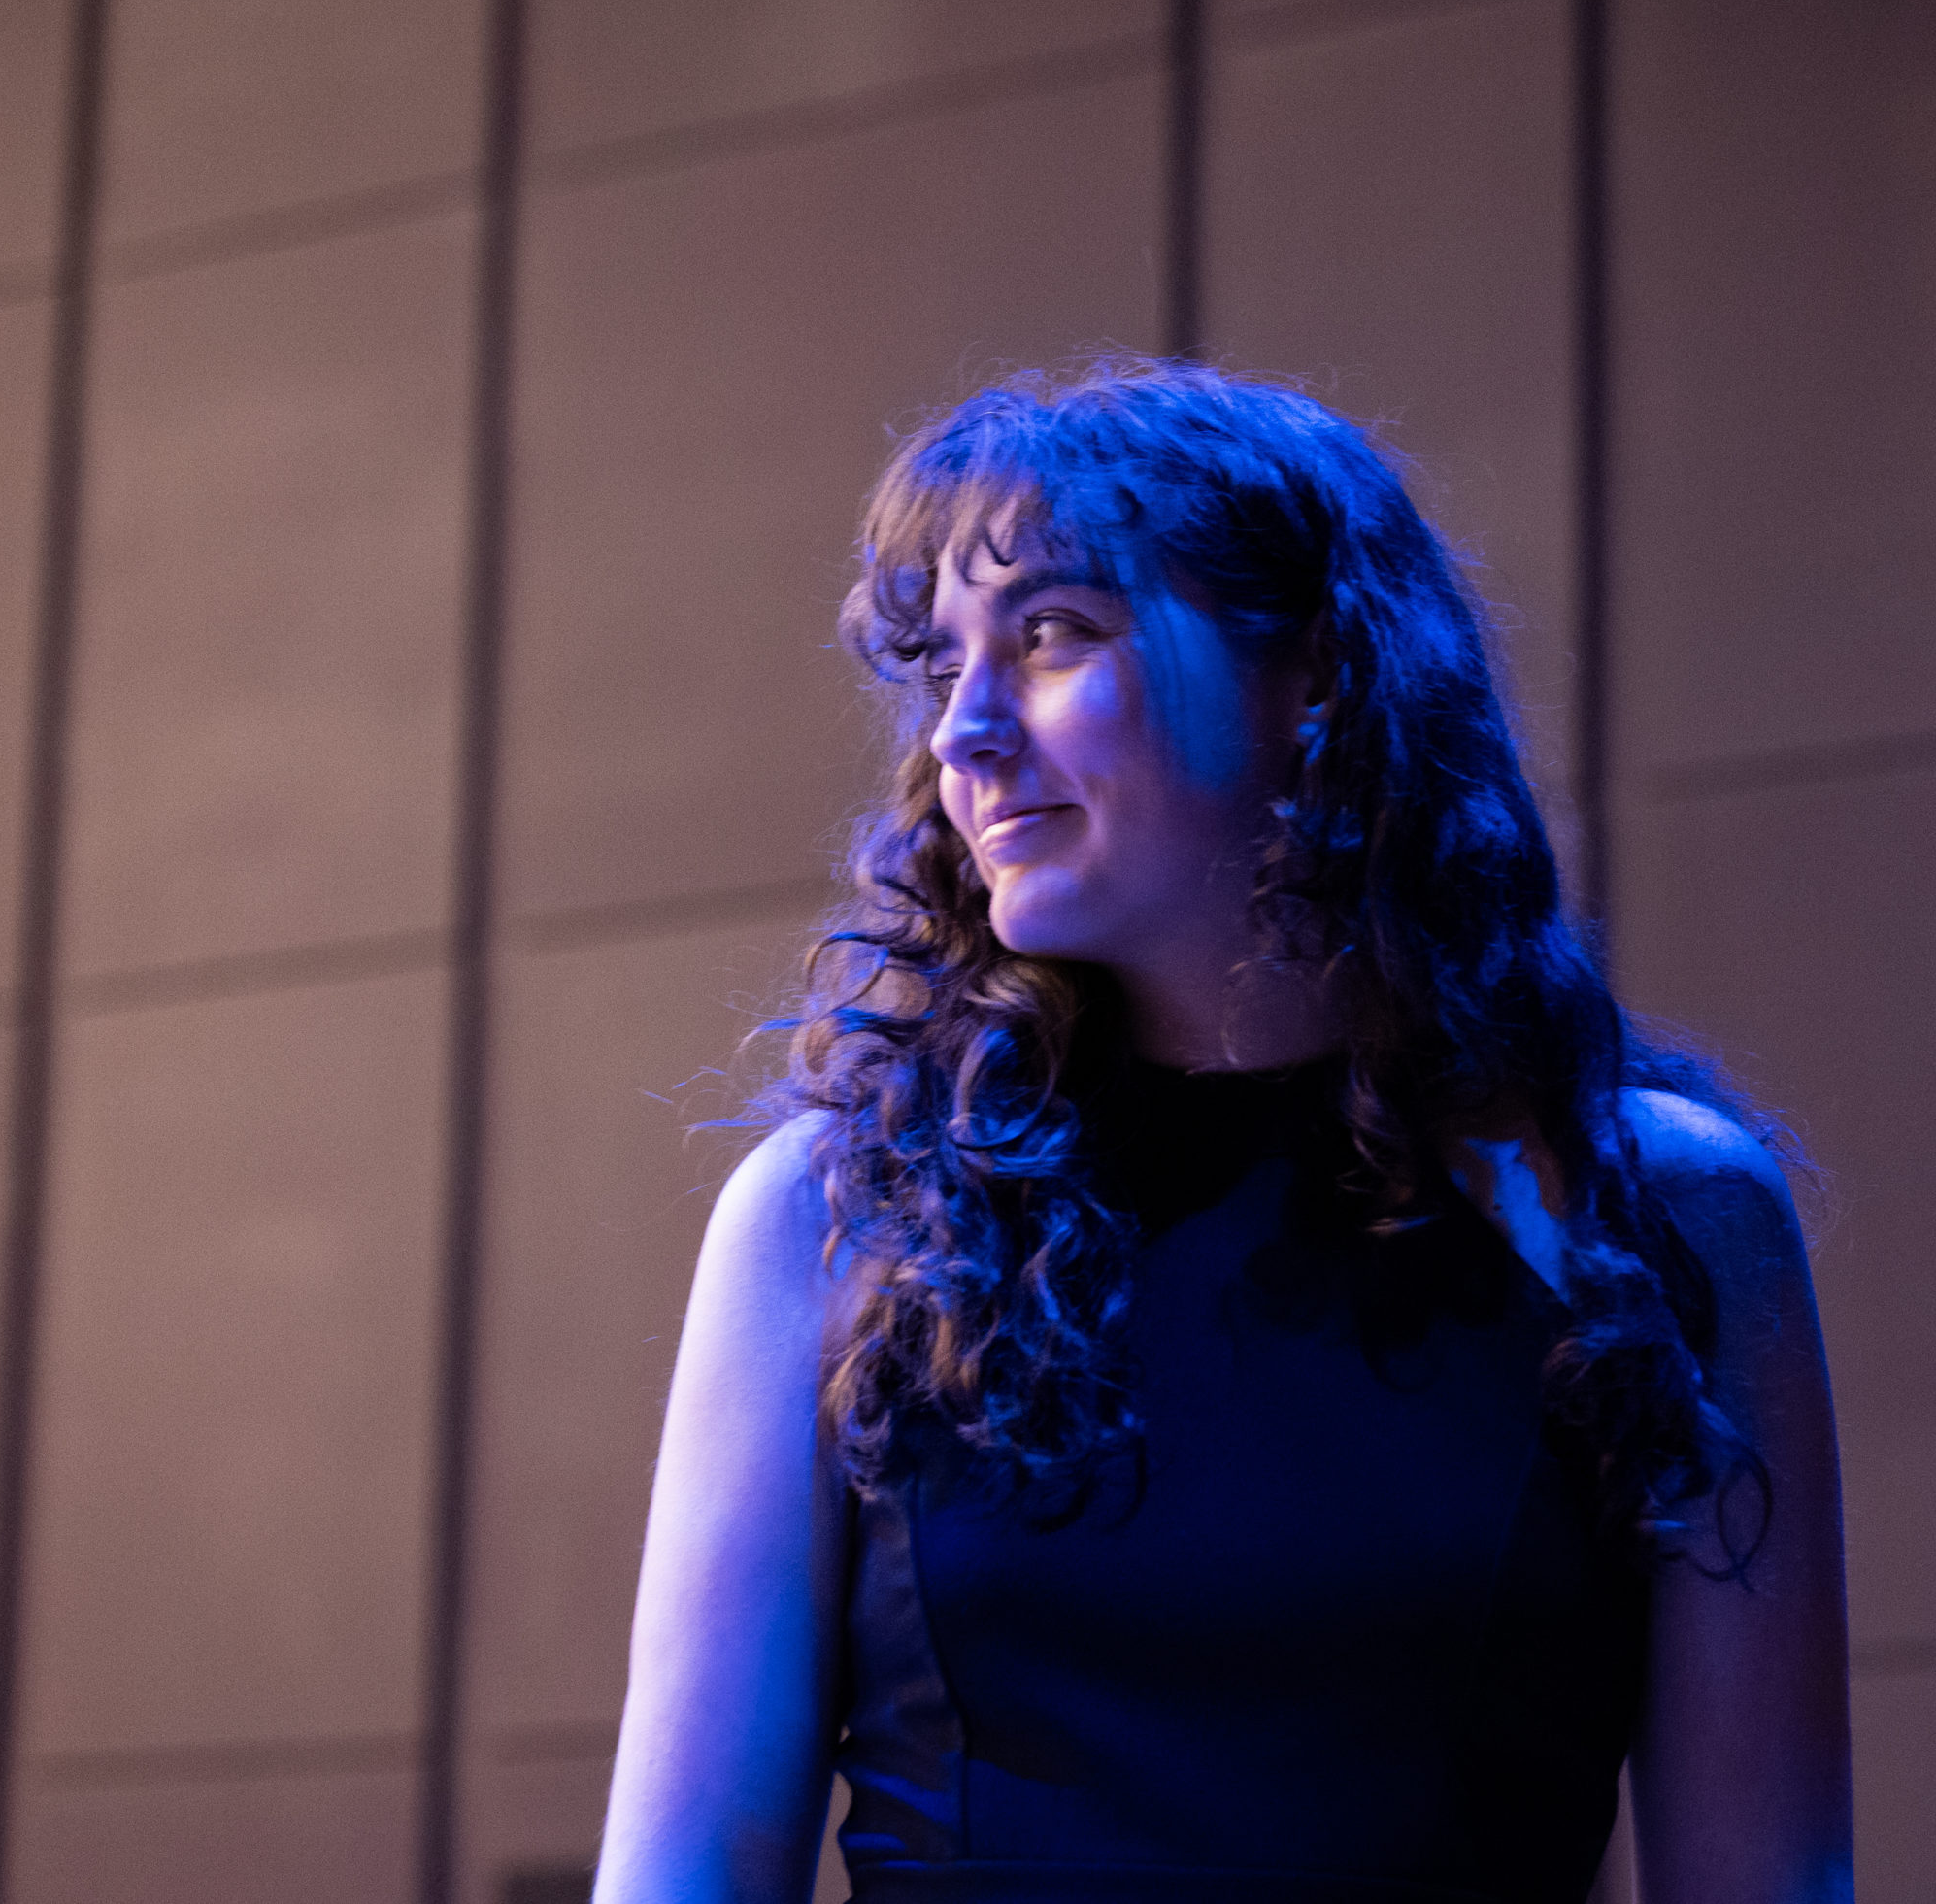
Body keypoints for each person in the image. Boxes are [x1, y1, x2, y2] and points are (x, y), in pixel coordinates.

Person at [592, 359, 1852, 1904]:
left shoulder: (1662, 1213)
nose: (963, 734)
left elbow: (1767, 1883)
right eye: (942, 666)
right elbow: (688, 1868)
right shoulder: (841, 1211)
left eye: (1053, 633)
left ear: (1313, 674)